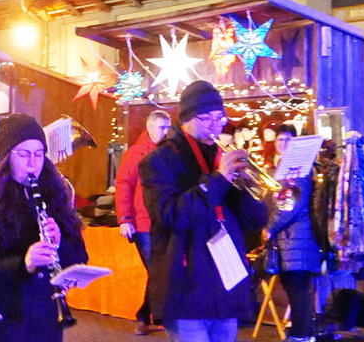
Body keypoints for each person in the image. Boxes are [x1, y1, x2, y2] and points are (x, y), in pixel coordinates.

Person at [141, 80, 270, 342]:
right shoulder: (159, 161)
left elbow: (256, 220)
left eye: (219, 118)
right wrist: (219, 179)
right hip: (186, 287)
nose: (215, 126)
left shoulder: (220, 156)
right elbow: (171, 215)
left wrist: (245, 187)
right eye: (206, 118)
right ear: (186, 118)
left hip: (225, 284)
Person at [0, 113, 89, 342]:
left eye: (39, 154)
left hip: (45, 318)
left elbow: (80, 256)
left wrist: (60, 245)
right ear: (7, 157)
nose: (32, 163)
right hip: (0, 320)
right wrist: (24, 263)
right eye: (24, 154)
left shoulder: (55, 196)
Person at [264, 124, 329, 342]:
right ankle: (304, 335)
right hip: (292, 239)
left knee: (297, 288)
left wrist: (270, 227)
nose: (283, 144)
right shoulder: (286, 168)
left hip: (297, 238)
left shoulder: (297, 169)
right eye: (280, 140)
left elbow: (290, 205)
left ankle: (301, 336)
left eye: (288, 139)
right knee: (297, 288)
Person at [116, 110, 172, 335]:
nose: (166, 132)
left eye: (168, 127)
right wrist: (124, 219)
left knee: (159, 271)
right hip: (144, 224)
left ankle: (149, 316)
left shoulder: (171, 152)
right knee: (157, 271)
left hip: (165, 222)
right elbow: (124, 185)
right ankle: (152, 317)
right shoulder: (135, 154)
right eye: (162, 128)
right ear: (150, 128)